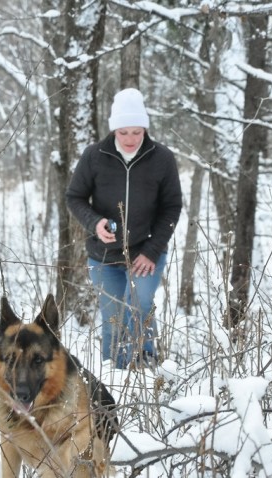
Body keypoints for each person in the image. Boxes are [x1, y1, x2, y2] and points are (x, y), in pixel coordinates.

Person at [66, 88, 183, 369]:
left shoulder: (162, 158)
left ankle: (145, 366)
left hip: (146, 252)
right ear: (114, 130)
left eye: (136, 132)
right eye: (123, 132)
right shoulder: (94, 156)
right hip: (103, 256)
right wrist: (94, 222)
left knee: (140, 305)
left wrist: (152, 251)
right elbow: (75, 197)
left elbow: (172, 206)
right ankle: (115, 375)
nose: (130, 139)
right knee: (113, 316)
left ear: (144, 128)